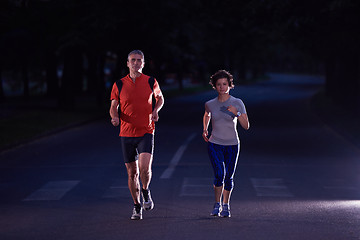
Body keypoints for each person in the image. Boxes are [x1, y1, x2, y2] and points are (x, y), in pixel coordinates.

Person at [109, 50, 164, 220]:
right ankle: (136, 205)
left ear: (143, 63)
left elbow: (160, 98)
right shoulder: (119, 84)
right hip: (126, 133)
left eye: (139, 60)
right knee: (132, 173)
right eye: (133, 60)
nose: (136, 63)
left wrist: (155, 110)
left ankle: (146, 191)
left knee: (145, 168)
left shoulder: (150, 81)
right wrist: (114, 116)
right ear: (127, 63)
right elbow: (113, 105)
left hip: (146, 130)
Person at [202, 70, 250, 218]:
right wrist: (205, 129)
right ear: (215, 87)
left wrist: (237, 113)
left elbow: (246, 125)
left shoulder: (237, 103)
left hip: (232, 144)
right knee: (219, 174)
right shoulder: (210, 104)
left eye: (225, 84)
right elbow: (207, 114)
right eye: (219, 84)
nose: (222, 87)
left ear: (230, 85)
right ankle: (217, 204)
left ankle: (226, 205)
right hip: (215, 143)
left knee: (228, 177)